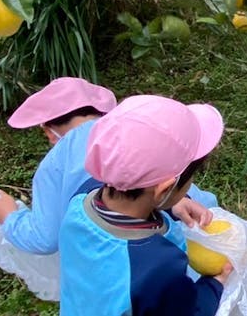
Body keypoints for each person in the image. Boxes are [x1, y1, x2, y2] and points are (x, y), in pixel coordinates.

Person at [0, 77, 218, 255]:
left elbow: (46, 238)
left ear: (48, 130)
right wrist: (176, 204)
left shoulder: (58, 167)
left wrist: (8, 215)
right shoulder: (138, 131)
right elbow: (201, 204)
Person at [59, 95, 229, 315]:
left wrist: (172, 205)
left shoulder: (81, 198)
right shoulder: (161, 267)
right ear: (164, 189)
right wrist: (215, 286)